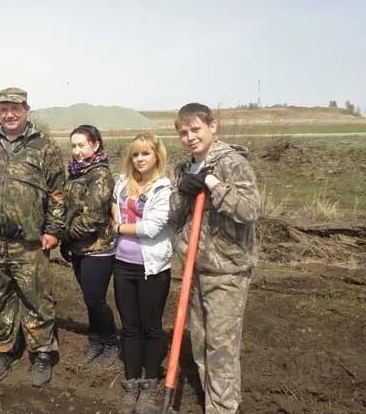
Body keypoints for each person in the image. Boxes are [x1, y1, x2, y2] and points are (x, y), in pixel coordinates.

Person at [170, 103, 261, 414]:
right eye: (184, 132)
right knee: (200, 342)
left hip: (227, 269)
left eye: (195, 129)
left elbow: (250, 210)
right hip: (195, 266)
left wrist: (212, 185)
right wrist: (183, 191)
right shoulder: (184, 168)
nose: (190, 137)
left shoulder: (232, 163)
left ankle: (223, 408)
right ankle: (213, 400)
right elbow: (174, 215)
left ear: (213, 126)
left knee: (221, 346)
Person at [0, 87, 65, 387]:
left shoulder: (44, 147)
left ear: (27, 110)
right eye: (4, 108)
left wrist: (53, 230)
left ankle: (41, 353)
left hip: (30, 242)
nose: (10, 114)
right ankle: (3, 349)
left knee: (37, 298)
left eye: (16, 108)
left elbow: (58, 194)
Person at [111, 132, 174, 414]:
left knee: (151, 326)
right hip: (122, 264)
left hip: (152, 268)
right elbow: (114, 202)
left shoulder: (164, 189)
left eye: (145, 153)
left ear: (156, 156)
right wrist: (117, 217)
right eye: (135, 154)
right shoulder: (123, 182)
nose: (139, 159)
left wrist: (117, 228)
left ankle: (150, 383)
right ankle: (131, 382)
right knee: (130, 326)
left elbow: (150, 228)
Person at [59, 125, 119, 368]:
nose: (77, 150)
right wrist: (68, 239)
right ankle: (96, 339)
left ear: (95, 145)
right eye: (73, 146)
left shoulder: (101, 175)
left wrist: (67, 235)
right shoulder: (76, 173)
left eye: (82, 145)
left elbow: (93, 216)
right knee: (88, 298)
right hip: (78, 247)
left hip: (98, 247)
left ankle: (111, 341)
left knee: (96, 298)